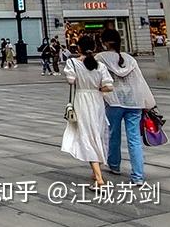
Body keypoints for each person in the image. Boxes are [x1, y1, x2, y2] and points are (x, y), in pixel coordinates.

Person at [96, 28, 156, 184]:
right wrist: (147, 102)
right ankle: (138, 176)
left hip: (113, 101)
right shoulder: (130, 59)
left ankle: (114, 165)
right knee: (134, 138)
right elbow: (140, 81)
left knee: (113, 134)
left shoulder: (100, 58)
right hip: (134, 101)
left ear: (104, 42)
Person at [61, 35, 113, 188]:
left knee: (87, 136)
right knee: (98, 133)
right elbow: (109, 86)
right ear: (95, 48)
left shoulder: (73, 63)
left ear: (78, 48)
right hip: (97, 100)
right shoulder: (100, 65)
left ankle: (99, 179)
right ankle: (97, 169)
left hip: (82, 100)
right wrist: (97, 89)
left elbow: (71, 80)